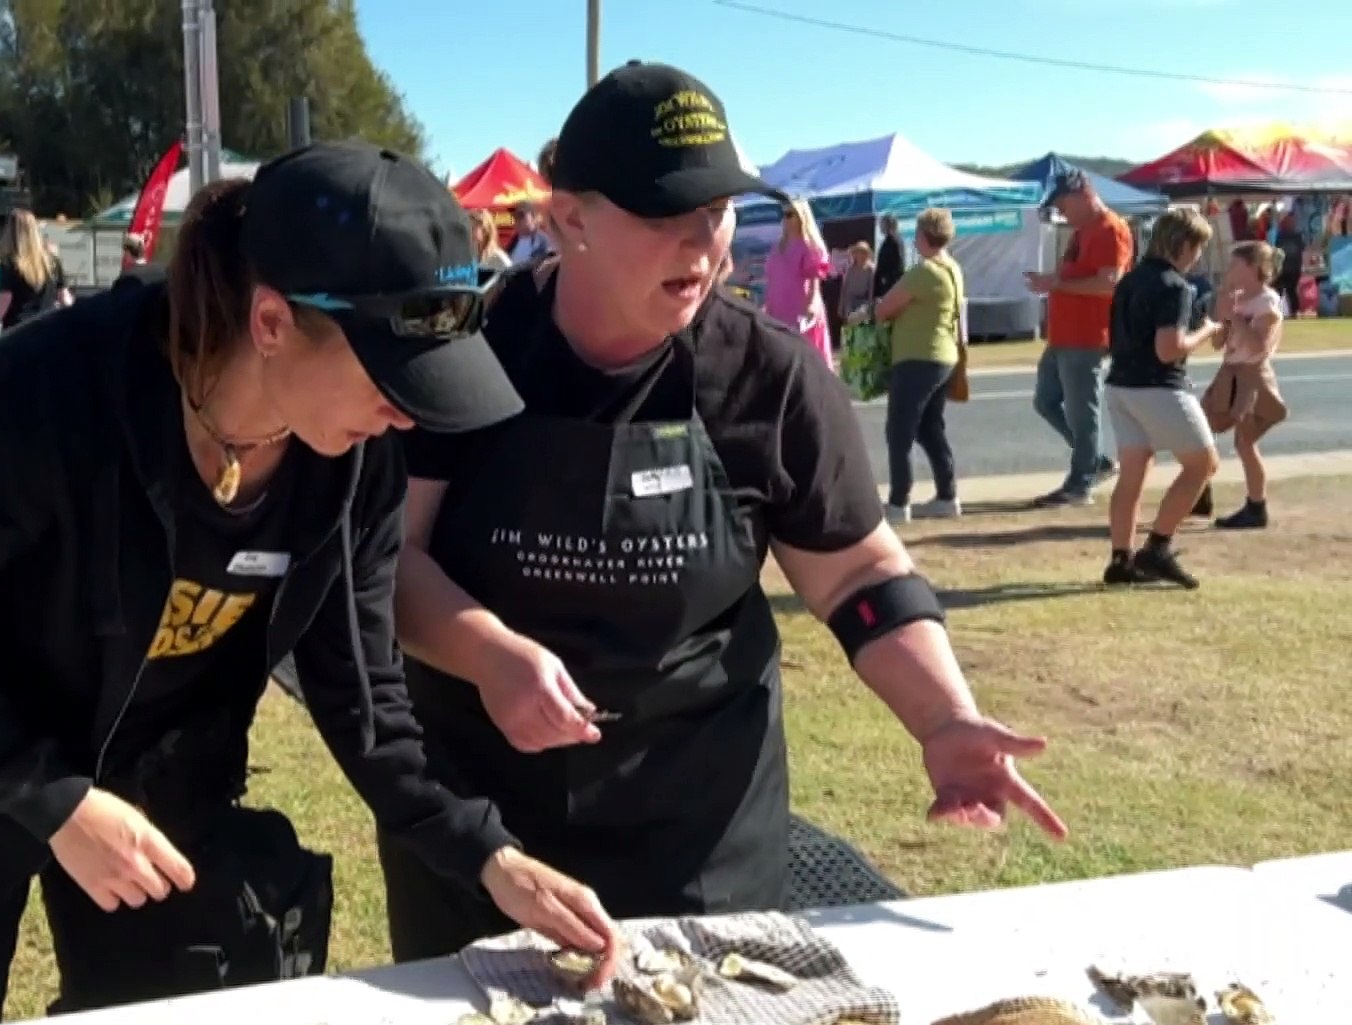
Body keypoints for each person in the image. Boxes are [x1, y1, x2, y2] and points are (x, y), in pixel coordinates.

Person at [0, 140, 619, 1025]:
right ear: (271, 321)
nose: (407, 414)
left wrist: (490, 855)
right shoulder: (46, 398)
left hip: (158, 789)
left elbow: (366, 700)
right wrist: (54, 801)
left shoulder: (354, 466)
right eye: (392, 377)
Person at [382, 60, 1067, 964]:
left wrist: (943, 717)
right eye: (666, 215)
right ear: (569, 218)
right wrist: (490, 655)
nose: (703, 245)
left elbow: (860, 576)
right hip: (487, 831)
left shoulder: (768, 377)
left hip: (699, 836)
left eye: (718, 211)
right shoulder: (465, 359)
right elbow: (390, 561)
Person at [1101, 207, 1221, 589]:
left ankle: (1121, 558)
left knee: (1133, 472)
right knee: (1203, 464)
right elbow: (1169, 349)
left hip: (1120, 384)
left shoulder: (1130, 280)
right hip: (1158, 386)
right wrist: (1207, 331)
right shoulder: (1175, 286)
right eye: (1197, 248)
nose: (1197, 256)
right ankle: (1157, 547)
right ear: (1184, 245)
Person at [1026, 169, 1132, 509]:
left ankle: (1080, 483)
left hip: (1086, 337)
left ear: (1083, 195)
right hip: (1064, 336)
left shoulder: (1109, 229)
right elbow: (1074, 277)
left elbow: (1108, 283)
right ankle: (1094, 463)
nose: (1062, 213)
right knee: (1046, 401)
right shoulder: (1083, 231)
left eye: (1063, 205)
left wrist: (1056, 284)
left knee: (1082, 412)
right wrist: (1049, 281)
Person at [870, 208, 966, 523]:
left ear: (924, 236)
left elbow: (884, 309)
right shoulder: (952, 268)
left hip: (918, 357)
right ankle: (947, 495)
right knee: (929, 428)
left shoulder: (923, 272)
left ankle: (899, 503)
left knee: (899, 431)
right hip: (943, 356)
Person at [1200, 241, 1289, 530]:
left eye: (1235, 265)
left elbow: (1258, 345)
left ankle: (1256, 506)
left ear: (1253, 268)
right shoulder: (1235, 298)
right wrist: (1222, 315)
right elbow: (1218, 343)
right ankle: (1198, 492)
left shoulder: (1267, 301)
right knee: (1199, 429)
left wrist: (1234, 316)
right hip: (1229, 373)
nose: (1229, 270)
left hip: (1252, 375)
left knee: (1245, 443)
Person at [763, 198, 832, 369]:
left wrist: (811, 305)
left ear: (802, 217)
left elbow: (815, 281)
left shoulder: (809, 246)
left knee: (806, 358)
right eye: (783, 214)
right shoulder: (777, 247)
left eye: (790, 215)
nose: (785, 219)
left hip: (799, 310)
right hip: (778, 310)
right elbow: (772, 280)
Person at [0, 208, 70, 332]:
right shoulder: (52, 261)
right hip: (49, 326)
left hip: (19, 329)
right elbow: (64, 296)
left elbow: (5, 297)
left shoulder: (9, 263)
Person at [835, 241, 876, 328]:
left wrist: (870, 309)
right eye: (858, 252)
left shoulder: (870, 270)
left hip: (863, 303)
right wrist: (841, 308)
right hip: (850, 302)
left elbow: (871, 291)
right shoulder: (850, 269)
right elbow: (844, 289)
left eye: (863, 253)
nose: (860, 255)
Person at [873, 213, 905, 299]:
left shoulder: (893, 241)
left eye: (882, 224)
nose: (880, 226)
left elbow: (897, 263)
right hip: (890, 282)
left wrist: (886, 280)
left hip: (889, 283)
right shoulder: (895, 239)